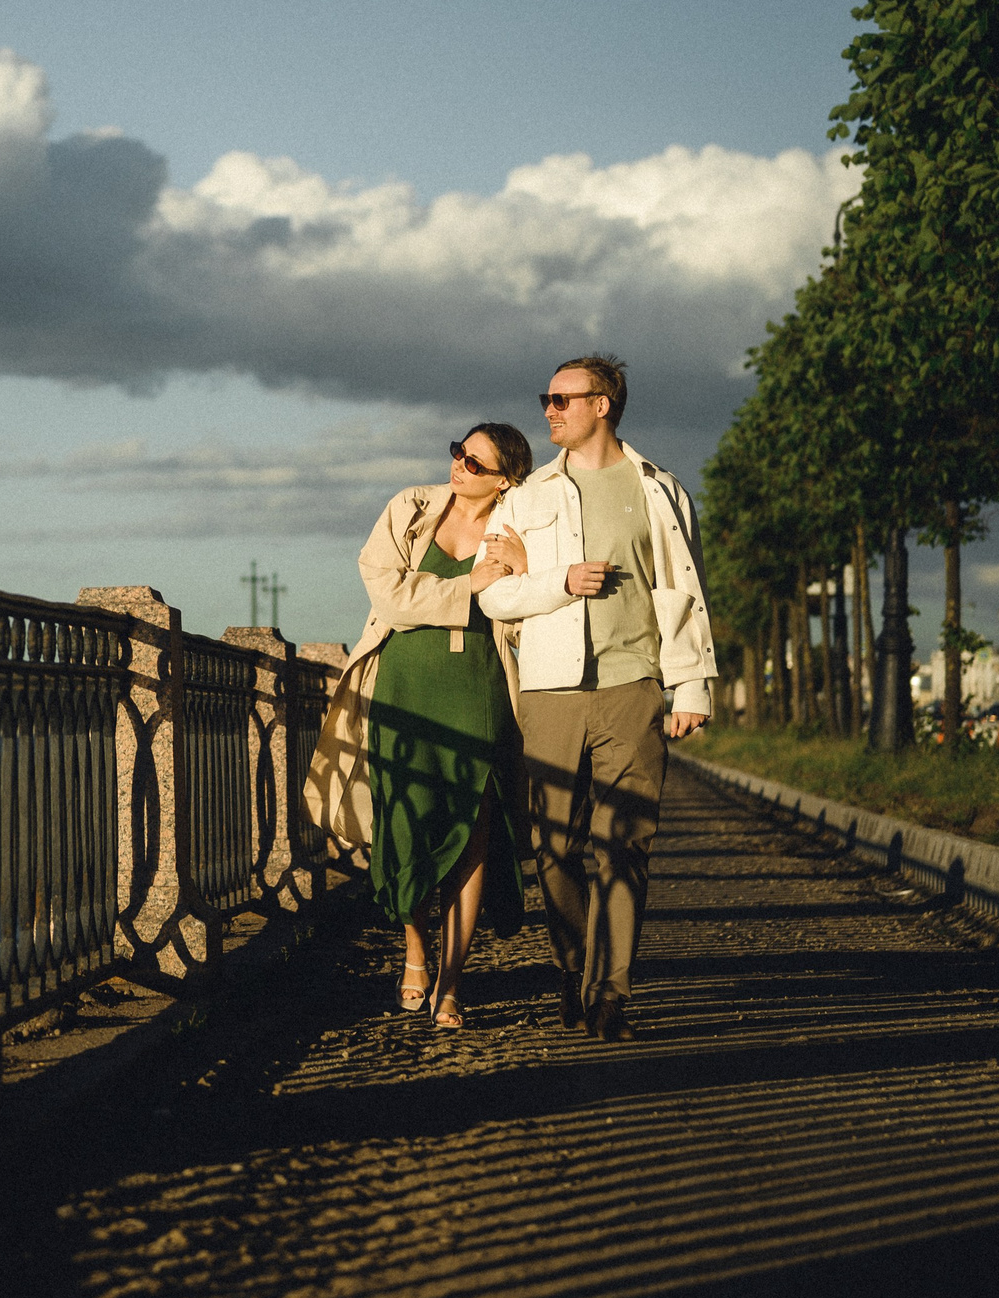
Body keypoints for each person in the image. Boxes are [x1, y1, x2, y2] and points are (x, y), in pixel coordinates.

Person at [477, 354, 717, 1043]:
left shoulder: (660, 491)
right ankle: (574, 963)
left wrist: (691, 683)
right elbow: (492, 590)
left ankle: (612, 991)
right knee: (554, 848)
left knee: (625, 846)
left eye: (562, 399)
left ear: (602, 403)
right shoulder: (522, 499)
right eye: (546, 399)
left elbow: (683, 591)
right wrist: (559, 582)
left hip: (632, 686)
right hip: (551, 690)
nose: (548, 409)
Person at [304, 424, 534, 1029]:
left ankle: (453, 984)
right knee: (404, 825)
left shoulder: (526, 522)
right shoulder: (409, 508)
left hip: (481, 687)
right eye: (459, 453)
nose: (460, 466)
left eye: (476, 464)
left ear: (505, 479)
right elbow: (389, 593)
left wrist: (525, 565)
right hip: (405, 687)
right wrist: (469, 584)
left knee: (470, 833)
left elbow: (535, 596)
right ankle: (413, 954)